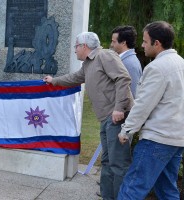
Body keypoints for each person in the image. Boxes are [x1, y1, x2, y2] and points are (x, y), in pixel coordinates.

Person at [43, 32, 133, 200]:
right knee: (107, 162)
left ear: (84, 46)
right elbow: (75, 78)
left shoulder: (105, 55)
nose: (74, 50)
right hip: (106, 119)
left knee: (118, 164)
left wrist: (119, 108)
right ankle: (108, 196)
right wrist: (54, 81)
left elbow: (123, 79)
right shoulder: (88, 64)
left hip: (117, 118)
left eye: (76, 47)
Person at [118, 21, 184, 200]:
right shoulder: (181, 63)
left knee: (132, 188)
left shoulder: (157, 67)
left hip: (157, 138)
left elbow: (143, 104)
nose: (141, 45)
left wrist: (127, 129)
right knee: (167, 189)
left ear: (157, 43)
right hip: (177, 139)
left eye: (145, 41)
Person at [110, 25, 142, 98]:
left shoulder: (129, 63)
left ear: (123, 43)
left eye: (113, 42)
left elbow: (133, 93)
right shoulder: (124, 60)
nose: (111, 45)